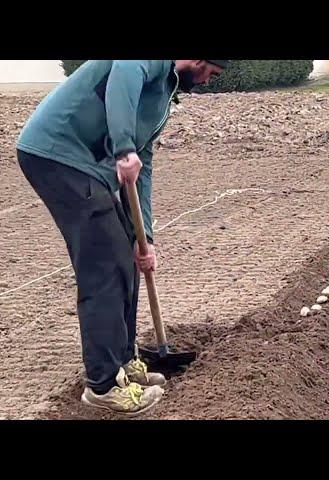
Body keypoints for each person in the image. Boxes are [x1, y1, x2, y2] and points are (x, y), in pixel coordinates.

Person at [16, 60, 229, 415]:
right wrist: (123, 148)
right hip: (57, 153)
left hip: (89, 169)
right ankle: (102, 386)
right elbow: (122, 80)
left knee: (126, 258)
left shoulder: (164, 92)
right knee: (104, 268)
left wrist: (143, 236)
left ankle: (124, 362)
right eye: (211, 72)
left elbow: (140, 168)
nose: (207, 81)